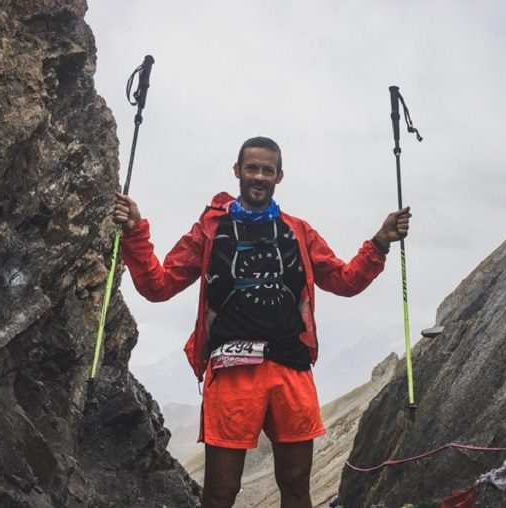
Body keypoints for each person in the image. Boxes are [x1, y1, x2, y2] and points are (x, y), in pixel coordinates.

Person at [113, 136, 411, 508]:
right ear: (237, 171)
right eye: (251, 168)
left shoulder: (299, 231)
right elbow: (158, 286)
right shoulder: (208, 230)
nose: (258, 176)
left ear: (279, 176)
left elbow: (344, 280)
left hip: (291, 367)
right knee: (221, 490)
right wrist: (135, 231)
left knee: (296, 483)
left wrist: (380, 241)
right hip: (232, 370)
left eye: (266, 170)